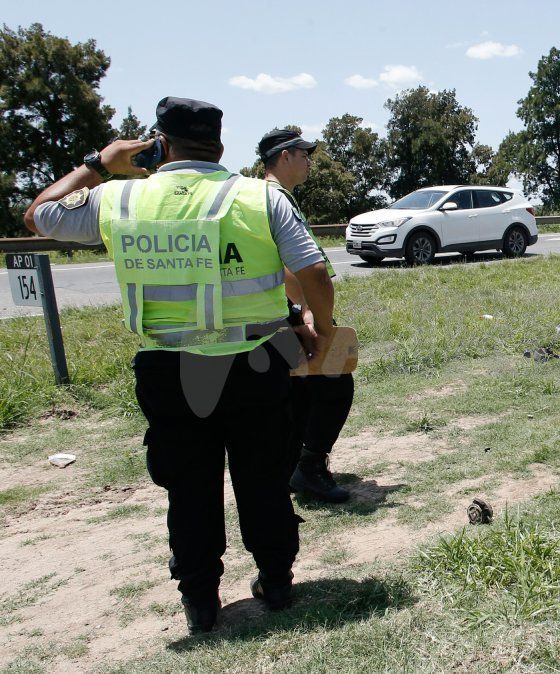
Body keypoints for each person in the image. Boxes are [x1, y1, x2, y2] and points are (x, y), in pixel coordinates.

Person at [23, 97, 336, 634]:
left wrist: (99, 162)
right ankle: (277, 580)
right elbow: (314, 272)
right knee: (263, 476)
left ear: (159, 144)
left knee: (189, 486)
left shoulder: (120, 197)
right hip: (257, 360)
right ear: (220, 144)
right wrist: (320, 331)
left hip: (169, 367)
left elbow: (38, 215)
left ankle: (200, 599)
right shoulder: (259, 197)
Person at [257, 129, 354, 503]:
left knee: (302, 390)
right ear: (284, 156)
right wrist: (308, 312)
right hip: (288, 313)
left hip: (274, 313)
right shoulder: (275, 198)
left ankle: (293, 466)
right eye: (304, 154)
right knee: (335, 382)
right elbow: (297, 268)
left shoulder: (259, 197)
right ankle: (309, 466)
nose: (310, 161)